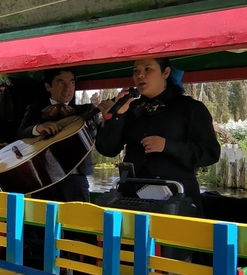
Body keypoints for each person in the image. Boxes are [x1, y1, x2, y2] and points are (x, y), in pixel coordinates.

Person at [96, 58, 221, 217]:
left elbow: (210, 153)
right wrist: (116, 117)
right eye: (136, 71)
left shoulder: (190, 107)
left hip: (177, 196)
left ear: (166, 73)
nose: (140, 75)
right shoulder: (129, 108)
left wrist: (167, 146)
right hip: (131, 196)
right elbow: (107, 149)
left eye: (148, 69)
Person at [17, 67, 107, 203]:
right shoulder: (36, 109)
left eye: (71, 82)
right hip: (44, 178)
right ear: (48, 86)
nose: (67, 88)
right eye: (61, 82)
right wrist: (38, 128)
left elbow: (98, 138)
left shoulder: (86, 110)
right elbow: (20, 134)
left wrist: (106, 119)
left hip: (75, 178)